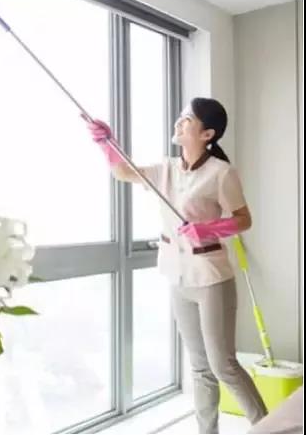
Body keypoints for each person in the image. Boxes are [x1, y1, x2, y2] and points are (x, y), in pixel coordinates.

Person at [87, 97, 267, 434]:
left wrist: (209, 229)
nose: (178, 123)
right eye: (181, 117)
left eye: (187, 120)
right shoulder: (166, 168)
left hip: (211, 279)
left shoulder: (221, 173)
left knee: (224, 365)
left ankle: (271, 429)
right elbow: (122, 172)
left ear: (207, 133)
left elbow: (244, 219)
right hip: (177, 276)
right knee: (199, 367)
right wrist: (105, 143)